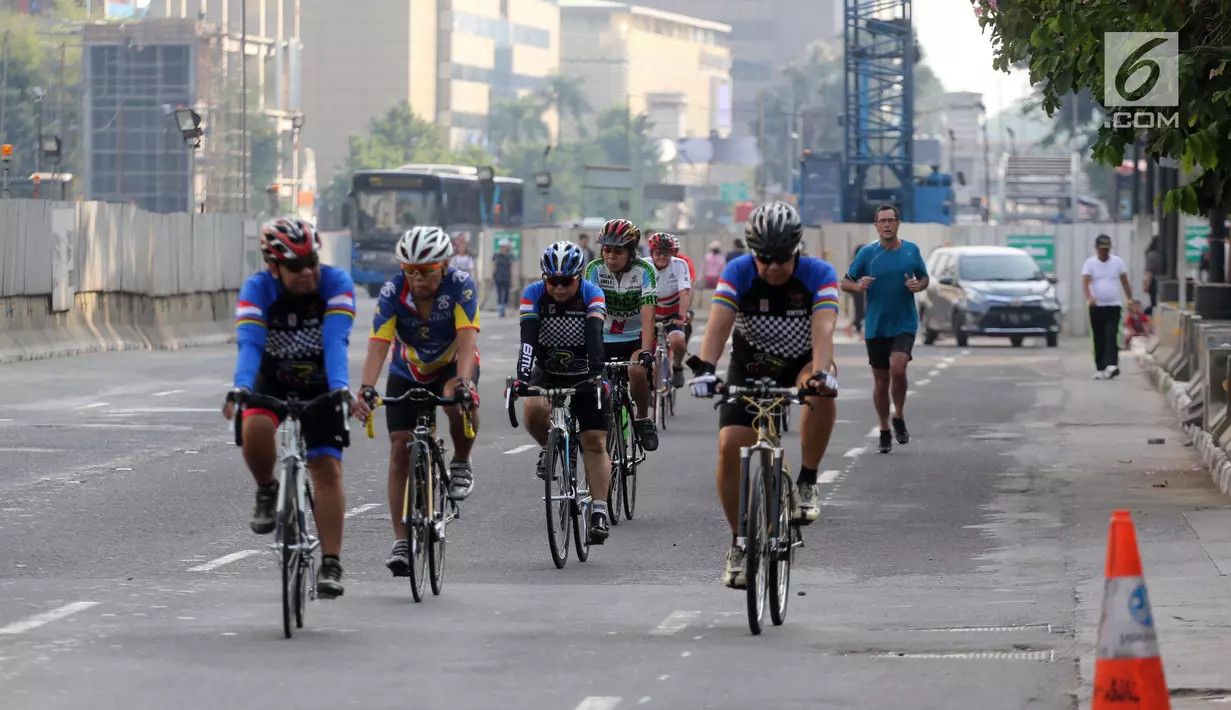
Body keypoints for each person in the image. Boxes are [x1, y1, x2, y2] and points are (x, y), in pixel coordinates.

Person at [688, 201, 839, 588]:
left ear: (798, 251)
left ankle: (806, 480)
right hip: (751, 363)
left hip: (802, 362)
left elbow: (824, 332)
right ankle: (739, 542)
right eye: (765, 259)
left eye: (782, 259)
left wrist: (821, 373)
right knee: (729, 445)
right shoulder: (738, 271)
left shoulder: (818, 274)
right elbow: (719, 325)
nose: (773, 268)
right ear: (753, 254)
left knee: (822, 389)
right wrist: (706, 368)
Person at [224, 217, 356, 598]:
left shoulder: (336, 284)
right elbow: (248, 345)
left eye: (312, 261)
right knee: (256, 428)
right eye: (296, 267)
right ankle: (267, 489)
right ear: (273, 267)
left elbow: (335, 342)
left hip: (321, 379)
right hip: (272, 377)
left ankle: (331, 561)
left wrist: (340, 390)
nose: (308, 272)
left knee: (326, 466)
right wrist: (242, 388)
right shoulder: (257, 289)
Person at [351, 226, 481, 577]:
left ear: (444, 265)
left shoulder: (461, 285)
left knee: (456, 401)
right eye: (410, 270)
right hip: (409, 368)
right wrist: (366, 387)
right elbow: (378, 343)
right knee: (399, 447)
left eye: (425, 270)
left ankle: (462, 462)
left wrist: (467, 382)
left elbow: (468, 340)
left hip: (453, 363)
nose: (417, 277)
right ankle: (400, 540)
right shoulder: (393, 291)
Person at [515, 241, 614, 542]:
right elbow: (528, 340)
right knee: (532, 410)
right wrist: (521, 377)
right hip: (547, 369)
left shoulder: (591, 294)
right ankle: (549, 446)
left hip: (587, 369)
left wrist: (597, 375)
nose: (558, 287)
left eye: (566, 281)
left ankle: (598, 509)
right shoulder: (533, 295)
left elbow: (596, 338)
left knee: (594, 440)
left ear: (579, 277)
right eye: (552, 280)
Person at [840, 204, 928, 454]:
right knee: (881, 380)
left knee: (898, 368)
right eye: (883, 221)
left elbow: (924, 278)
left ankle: (898, 415)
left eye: (891, 220)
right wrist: (859, 287)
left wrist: (917, 285)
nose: (887, 225)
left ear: (898, 223)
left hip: (905, 322)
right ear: (876, 225)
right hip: (876, 325)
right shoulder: (868, 254)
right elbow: (845, 282)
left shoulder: (911, 251)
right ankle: (884, 428)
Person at [584, 218, 660, 452]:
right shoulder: (594, 269)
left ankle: (642, 419)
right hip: (603, 338)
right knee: (593, 385)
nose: (610, 257)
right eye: (606, 250)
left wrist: (646, 352)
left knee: (637, 369)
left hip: (635, 338)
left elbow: (649, 316)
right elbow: (588, 312)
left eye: (617, 251)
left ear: (631, 252)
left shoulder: (645, 271)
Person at [1082, 233, 1133, 380]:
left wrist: (1130, 299)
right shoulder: (1090, 263)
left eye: (1107, 249)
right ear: (1096, 249)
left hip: (1113, 305)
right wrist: (1090, 297)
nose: (1104, 253)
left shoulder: (1117, 262)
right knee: (1098, 337)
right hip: (1096, 307)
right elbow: (1085, 283)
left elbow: (1124, 281)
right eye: (1102, 249)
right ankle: (1100, 367)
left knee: (1111, 335)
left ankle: (1111, 364)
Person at [648, 232, 693, 388]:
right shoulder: (643, 266)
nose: (662, 257)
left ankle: (677, 366)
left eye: (666, 253)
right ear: (651, 253)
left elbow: (684, 293)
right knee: (644, 350)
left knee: (678, 341)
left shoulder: (680, 265)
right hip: (651, 313)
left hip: (673, 313)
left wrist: (682, 316)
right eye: (658, 253)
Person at [845, 243, 867, 339]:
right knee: (860, 310)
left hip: (858, 290)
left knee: (860, 310)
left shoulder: (858, 263)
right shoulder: (857, 264)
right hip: (857, 290)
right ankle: (860, 331)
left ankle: (853, 329)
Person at [492, 238, 515, 318]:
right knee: (499, 292)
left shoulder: (510, 256)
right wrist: (492, 275)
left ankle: (503, 307)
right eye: (502, 246)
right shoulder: (496, 255)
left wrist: (512, 278)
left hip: (506, 276)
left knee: (506, 294)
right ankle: (500, 309)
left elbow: (512, 268)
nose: (504, 248)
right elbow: (494, 265)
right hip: (498, 276)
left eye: (505, 246)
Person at [1143, 235, 1161, 315]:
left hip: (1153, 283)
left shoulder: (1151, 255)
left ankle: (1147, 316)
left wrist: (1146, 285)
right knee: (1157, 304)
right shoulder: (1161, 254)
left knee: (1154, 304)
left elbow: (1148, 272)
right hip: (1160, 282)